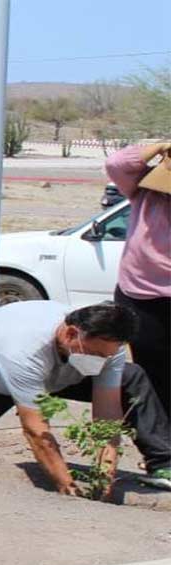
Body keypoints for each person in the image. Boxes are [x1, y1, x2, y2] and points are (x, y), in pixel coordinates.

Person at [0, 301, 171, 493]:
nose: (102, 361)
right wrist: (67, 485)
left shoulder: (107, 349)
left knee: (132, 376)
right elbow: (36, 430)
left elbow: (107, 417)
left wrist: (104, 474)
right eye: (96, 354)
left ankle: (163, 461)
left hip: (63, 373)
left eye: (107, 356)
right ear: (71, 334)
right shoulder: (23, 346)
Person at [104, 142, 170, 422]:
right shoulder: (143, 191)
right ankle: (163, 445)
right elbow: (117, 164)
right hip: (139, 295)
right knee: (152, 373)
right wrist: (160, 145)